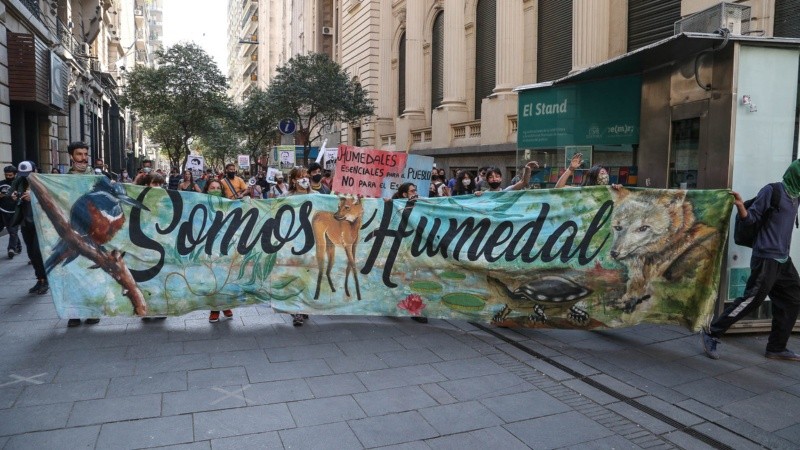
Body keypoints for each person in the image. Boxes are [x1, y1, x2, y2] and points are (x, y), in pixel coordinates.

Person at [702, 160, 800, 362]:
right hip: (765, 257)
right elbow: (752, 218)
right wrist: (740, 206)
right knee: (751, 300)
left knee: (792, 299)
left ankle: (776, 347)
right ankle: (711, 332)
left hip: (783, 259)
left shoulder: (796, 196)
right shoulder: (773, 191)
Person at [65, 142, 101, 326]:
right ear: (72, 156)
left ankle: (92, 310)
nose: (83, 158)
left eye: (85, 154)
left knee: (91, 271)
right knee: (73, 271)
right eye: (79, 154)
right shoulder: (64, 178)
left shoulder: (95, 176)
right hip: (72, 231)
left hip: (92, 231)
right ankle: (74, 313)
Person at [11, 161, 48, 295]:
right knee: (32, 254)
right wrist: (15, 196)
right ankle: (40, 279)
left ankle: (46, 280)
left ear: (35, 171)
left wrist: (33, 197)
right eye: (23, 174)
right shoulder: (20, 182)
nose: (26, 176)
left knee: (38, 252)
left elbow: (50, 200)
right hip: (26, 223)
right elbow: (11, 193)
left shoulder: (43, 182)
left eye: (28, 174)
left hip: (41, 223)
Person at [202, 179, 234, 323]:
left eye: (217, 187)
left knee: (225, 276)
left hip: (225, 244)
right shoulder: (200, 203)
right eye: (212, 187)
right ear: (207, 190)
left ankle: (225, 305)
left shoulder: (227, 203)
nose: (215, 189)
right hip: (208, 244)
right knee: (212, 277)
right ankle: (214, 309)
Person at [0, 165, 22, 259]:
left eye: (10, 175)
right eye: (6, 175)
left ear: (15, 174)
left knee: (13, 231)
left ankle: (11, 249)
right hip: (2, 211)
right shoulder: (1, 184)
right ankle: (18, 246)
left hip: (15, 212)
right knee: (10, 230)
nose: (8, 177)